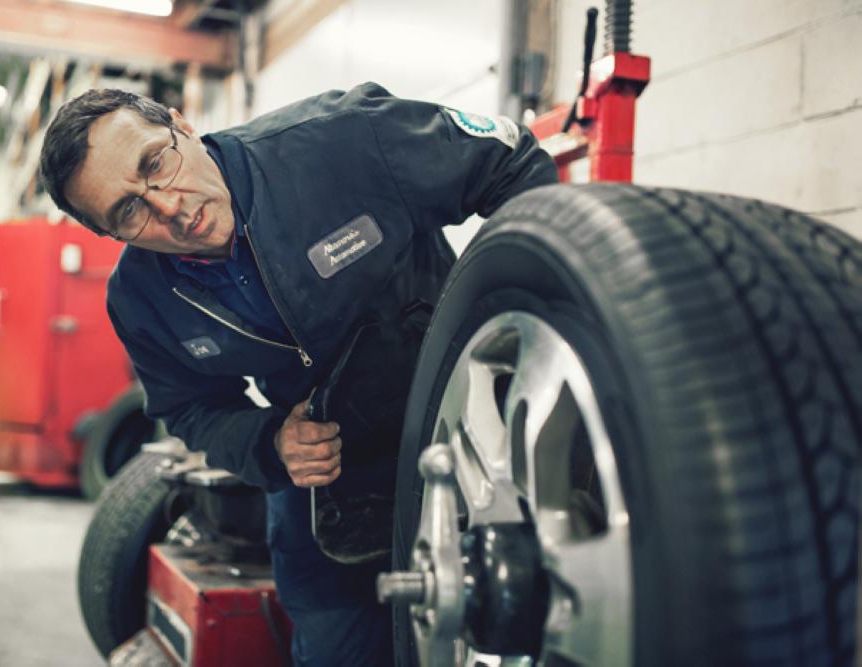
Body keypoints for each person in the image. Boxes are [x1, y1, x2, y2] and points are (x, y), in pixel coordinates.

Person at [39, 82, 557, 666]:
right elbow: (187, 408)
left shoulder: (341, 140)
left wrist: (500, 333)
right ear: (109, 236)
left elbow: (512, 164)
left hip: (474, 439)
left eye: (155, 162)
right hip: (326, 493)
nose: (169, 206)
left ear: (182, 125)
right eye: (129, 210)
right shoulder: (141, 301)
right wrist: (271, 443)